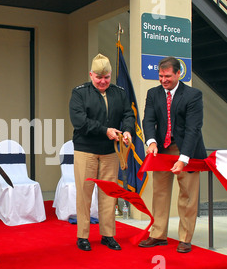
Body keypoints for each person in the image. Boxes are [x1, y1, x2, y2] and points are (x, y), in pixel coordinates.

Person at [139, 56, 206, 253]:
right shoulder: (153, 94)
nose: (163, 80)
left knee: (187, 195)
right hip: (161, 149)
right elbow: (148, 120)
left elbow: (194, 129)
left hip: (187, 149)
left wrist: (183, 158)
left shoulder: (193, 95)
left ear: (178, 73)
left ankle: (185, 238)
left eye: (167, 76)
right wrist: (151, 142)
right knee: (159, 192)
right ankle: (158, 234)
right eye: (160, 76)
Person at [69, 54, 135, 251]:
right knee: (84, 195)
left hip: (110, 152)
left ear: (111, 75)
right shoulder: (79, 93)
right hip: (86, 150)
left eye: (106, 77)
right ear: (91, 75)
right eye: (98, 77)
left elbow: (128, 114)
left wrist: (128, 130)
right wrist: (105, 130)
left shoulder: (120, 92)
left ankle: (108, 235)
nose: (103, 81)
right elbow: (79, 121)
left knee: (109, 194)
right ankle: (83, 236)